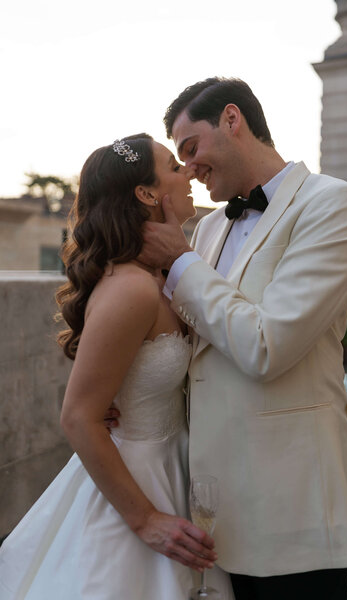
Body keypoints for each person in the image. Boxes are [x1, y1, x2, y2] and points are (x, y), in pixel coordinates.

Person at [132, 77, 347, 600]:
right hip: (211, 513)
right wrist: (128, 395)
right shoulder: (205, 231)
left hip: (294, 513)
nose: (189, 168)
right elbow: (194, 344)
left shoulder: (335, 204)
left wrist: (179, 262)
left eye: (191, 148)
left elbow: (267, 346)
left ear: (232, 119)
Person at [0, 134, 235, 600]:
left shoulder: (163, 276)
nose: (187, 171)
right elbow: (77, 415)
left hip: (176, 466)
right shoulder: (131, 288)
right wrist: (145, 520)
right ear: (146, 194)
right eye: (173, 165)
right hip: (136, 482)